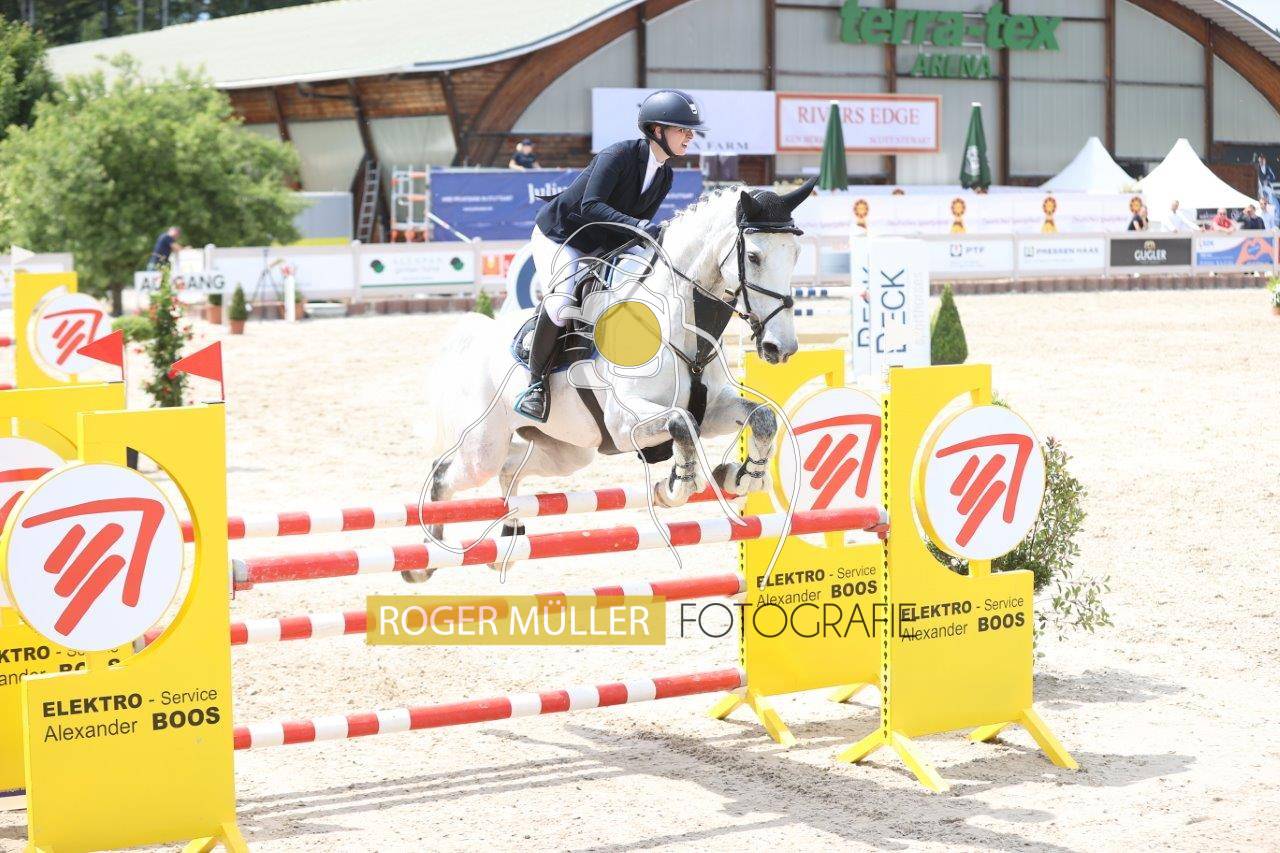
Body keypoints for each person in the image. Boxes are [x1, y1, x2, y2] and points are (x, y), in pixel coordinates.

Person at [514, 89, 705, 422]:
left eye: (690, 131)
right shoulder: (618, 156)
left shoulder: (665, 175)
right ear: (657, 130)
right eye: (682, 129)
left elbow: (633, 228)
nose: (690, 136)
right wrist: (639, 227)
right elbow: (591, 206)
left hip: (604, 242)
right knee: (561, 303)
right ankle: (536, 385)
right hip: (563, 236)